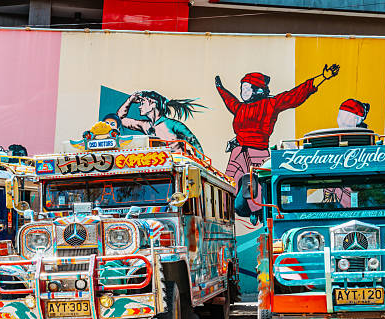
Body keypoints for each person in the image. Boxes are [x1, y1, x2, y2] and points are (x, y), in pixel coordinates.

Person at [215, 63, 339, 221]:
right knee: (226, 187)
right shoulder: (240, 108)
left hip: (257, 154)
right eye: (242, 88)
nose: (242, 92)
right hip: (238, 153)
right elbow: (229, 100)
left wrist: (321, 78)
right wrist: (220, 88)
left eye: (247, 88)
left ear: (258, 90)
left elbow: (294, 95)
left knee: (257, 193)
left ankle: (259, 214)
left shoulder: (270, 104)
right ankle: (225, 217)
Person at [117, 90, 205, 153]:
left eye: (142, 103)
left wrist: (202, 164)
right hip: (160, 169)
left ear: (153, 104)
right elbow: (119, 119)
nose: (139, 107)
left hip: (179, 169)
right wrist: (130, 100)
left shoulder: (172, 125)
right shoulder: (145, 125)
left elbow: (193, 141)